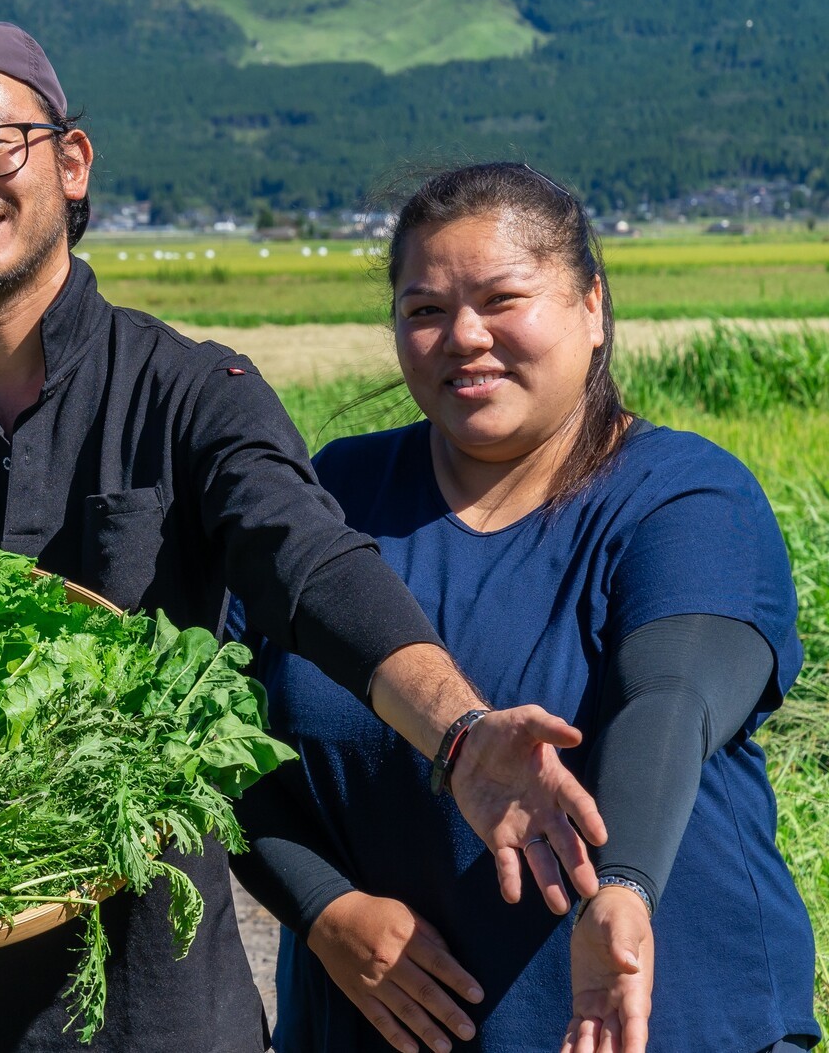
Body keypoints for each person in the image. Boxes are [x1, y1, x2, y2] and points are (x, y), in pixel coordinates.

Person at [0, 18, 610, 1052]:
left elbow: (307, 564)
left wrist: (455, 731)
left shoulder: (193, 393)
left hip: (157, 1005)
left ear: (70, 161)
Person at [229, 163, 819, 1053]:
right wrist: (323, 907)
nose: (464, 336)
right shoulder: (332, 496)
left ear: (592, 307)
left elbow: (671, 697)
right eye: (425, 311)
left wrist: (620, 888)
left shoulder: (685, 498)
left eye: (503, 298)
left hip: (657, 1028)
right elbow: (204, 735)